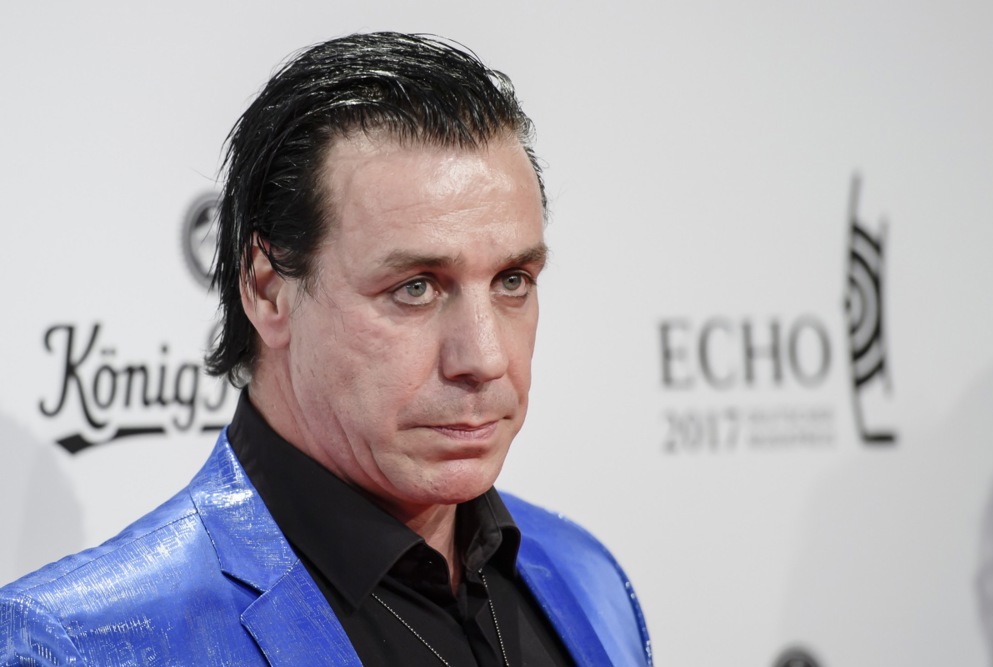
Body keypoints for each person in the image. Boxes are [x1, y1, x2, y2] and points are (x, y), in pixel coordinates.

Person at [0, 32, 652, 666]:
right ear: (267, 290)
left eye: (512, 281)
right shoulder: (75, 646)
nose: (484, 359)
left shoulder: (587, 576)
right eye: (416, 287)